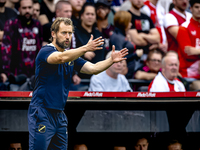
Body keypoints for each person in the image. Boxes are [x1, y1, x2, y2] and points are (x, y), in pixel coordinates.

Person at [27, 17, 128, 150]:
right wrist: (85, 48)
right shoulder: (46, 51)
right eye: (64, 33)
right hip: (42, 112)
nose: (67, 36)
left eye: (70, 33)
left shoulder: (71, 55)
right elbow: (60, 57)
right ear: (53, 34)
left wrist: (111, 61)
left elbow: (94, 69)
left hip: (60, 115)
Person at [1, 0, 43, 91]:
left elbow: (39, 50)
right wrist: (5, 72)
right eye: (24, 8)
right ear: (19, 9)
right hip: (15, 76)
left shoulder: (37, 24)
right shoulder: (11, 23)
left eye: (29, 8)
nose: (27, 10)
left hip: (34, 76)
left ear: (33, 9)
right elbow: (6, 50)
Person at [74, 2, 105, 80]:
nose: (90, 17)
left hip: (99, 78)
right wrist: (83, 54)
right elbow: (67, 52)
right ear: (82, 16)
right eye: (87, 14)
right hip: (80, 78)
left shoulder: (98, 34)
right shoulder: (74, 33)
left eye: (92, 14)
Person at [109, 10, 143, 78]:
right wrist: (135, 55)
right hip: (122, 74)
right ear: (123, 22)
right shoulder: (117, 37)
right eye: (129, 22)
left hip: (127, 74)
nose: (131, 24)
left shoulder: (121, 36)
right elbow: (118, 58)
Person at [176, 0, 200, 91]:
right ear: (191, 9)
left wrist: (197, 51)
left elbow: (193, 51)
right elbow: (187, 53)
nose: (199, 10)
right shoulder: (184, 27)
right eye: (196, 7)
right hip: (188, 74)